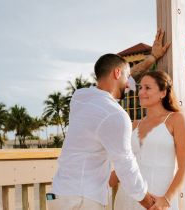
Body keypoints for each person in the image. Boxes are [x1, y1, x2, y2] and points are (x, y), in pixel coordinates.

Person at [48, 30, 170, 210]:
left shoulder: (80, 97)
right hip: (83, 200)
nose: (129, 83)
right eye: (126, 76)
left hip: (59, 194)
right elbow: (125, 163)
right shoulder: (116, 115)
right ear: (117, 73)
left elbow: (117, 82)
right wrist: (148, 202)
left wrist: (152, 58)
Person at [110, 71, 185, 210]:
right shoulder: (135, 124)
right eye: (140, 88)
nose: (141, 92)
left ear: (163, 93)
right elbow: (125, 163)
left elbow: (184, 167)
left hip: (157, 201)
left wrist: (166, 199)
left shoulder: (176, 120)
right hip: (127, 197)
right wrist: (99, 184)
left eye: (147, 88)